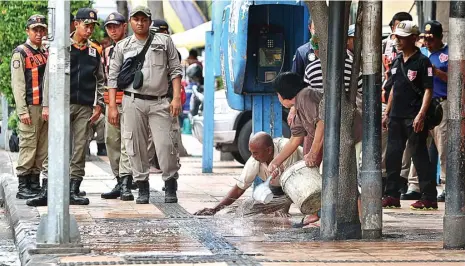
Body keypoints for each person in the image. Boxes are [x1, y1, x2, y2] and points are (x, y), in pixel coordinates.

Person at [27, 8, 104, 206]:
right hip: (61, 104)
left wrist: (99, 104)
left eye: (92, 27)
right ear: (76, 24)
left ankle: (73, 189)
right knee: (55, 146)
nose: (89, 30)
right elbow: (49, 78)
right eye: (85, 25)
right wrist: (46, 105)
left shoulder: (94, 51)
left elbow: (101, 79)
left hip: (85, 106)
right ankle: (48, 189)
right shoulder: (61, 48)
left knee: (79, 148)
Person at [107, 6, 183, 204]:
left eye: (144, 19)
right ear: (130, 23)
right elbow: (112, 78)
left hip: (160, 102)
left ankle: (170, 184)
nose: (140, 23)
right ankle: (142, 186)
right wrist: (113, 107)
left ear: (149, 21)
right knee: (135, 146)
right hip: (132, 101)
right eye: (136, 19)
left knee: (166, 145)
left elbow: (175, 70)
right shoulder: (123, 46)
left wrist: (175, 98)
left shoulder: (164, 42)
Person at [382, 20, 437, 210]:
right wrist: (387, 113)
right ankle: (391, 195)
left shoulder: (423, 62)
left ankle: (429, 197)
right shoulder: (397, 61)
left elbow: (429, 90)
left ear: (413, 39)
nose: (398, 40)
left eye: (402, 37)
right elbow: (394, 90)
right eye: (397, 36)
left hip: (414, 118)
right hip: (396, 117)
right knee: (392, 156)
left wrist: (421, 115)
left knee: (419, 156)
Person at [194, 132, 302, 216]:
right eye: (251, 152)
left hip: (300, 179)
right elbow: (239, 188)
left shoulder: (286, 147)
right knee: (257, 209)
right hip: (277, 186)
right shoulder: (254, 161)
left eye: (255, 153)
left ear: (269, 150)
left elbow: (291, 183)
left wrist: (283, 207)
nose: (253, 156)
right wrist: (215, 209)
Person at [406, 21, 448, 202]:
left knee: (444, 145)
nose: (428, 42)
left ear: (440, 38)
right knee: (417, 144)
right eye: (425, 38)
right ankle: (415, 185)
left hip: (442, 103)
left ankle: (447, 185)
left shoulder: (449, 54)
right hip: (421, 104)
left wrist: (436, 72)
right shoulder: (420, 54)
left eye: (432, 39)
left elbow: (456, 79)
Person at [11, 15, 49, 199]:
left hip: (45, 106)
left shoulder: (45, 52)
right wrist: (22, 110)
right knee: (28, 144)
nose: (39, 33)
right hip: (31, 106)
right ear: (28, 31)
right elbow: (18, 85)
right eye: (36, 30)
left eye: (42, 30)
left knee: (42, 147)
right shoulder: (21, 52)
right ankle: (23, 185)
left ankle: (34, 182)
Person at [100, 12, 135, 201]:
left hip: (130, 101)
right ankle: (118, 179)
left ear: (124, 27)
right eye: (109, 27)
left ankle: (126, 184)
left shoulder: (135, 48)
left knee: (127, 144)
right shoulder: (106, 52)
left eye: (116, 26)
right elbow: (104, 78)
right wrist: (107, 104)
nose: (113, 30)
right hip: (111, 102)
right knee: (111, 142)